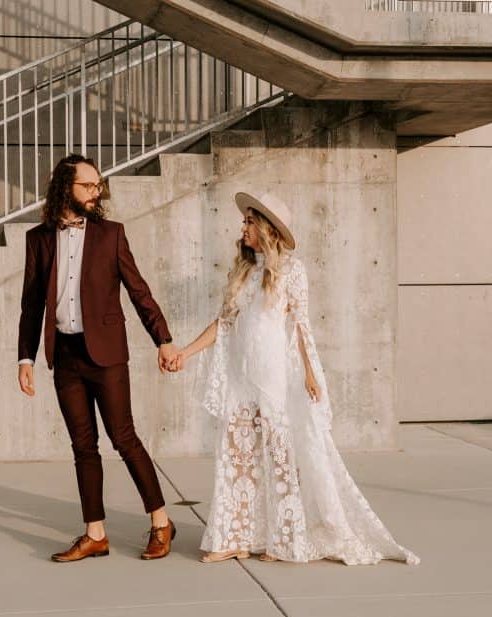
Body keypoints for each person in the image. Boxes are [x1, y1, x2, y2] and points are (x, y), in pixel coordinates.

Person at [170, 192, 420, 566]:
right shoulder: (242, 272)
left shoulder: (291, 271)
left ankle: (283, 537)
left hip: (274, 376)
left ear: (266, 229)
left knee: (279, 457)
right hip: (241, 374)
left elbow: (300, 326)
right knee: (237, 458)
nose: (243, 228)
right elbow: (224, 324)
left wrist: (309, 374)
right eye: (245, 223)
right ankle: (234, 537)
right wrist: (184, 353)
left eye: (249, 222)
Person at [17, 154, 179, 562]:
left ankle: (161, 522)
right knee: (83, 446)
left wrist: (163, 338)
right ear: (65, 189)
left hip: (106, 354)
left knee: (124, 438)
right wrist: (26, 359)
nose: (96, 192)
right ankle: (95, 534)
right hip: (65, 355)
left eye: (98, 185)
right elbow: (32, 304)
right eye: (88, 186)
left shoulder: (111, 235)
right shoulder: (38, 239)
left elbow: (138, 290)